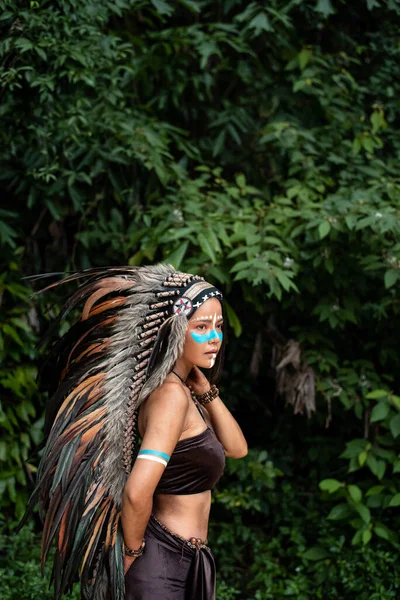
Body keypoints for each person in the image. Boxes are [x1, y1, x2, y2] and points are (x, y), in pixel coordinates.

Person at [18, 263, 247, 600]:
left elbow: (237, 448)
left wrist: (207, 393)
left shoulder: (185, 393)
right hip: (161, 562)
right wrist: (132, 555)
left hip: (188, 562)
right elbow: (137, 492)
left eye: (219, 326)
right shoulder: (169, 396)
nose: (214, 337)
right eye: (201, 326)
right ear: (173, 330)